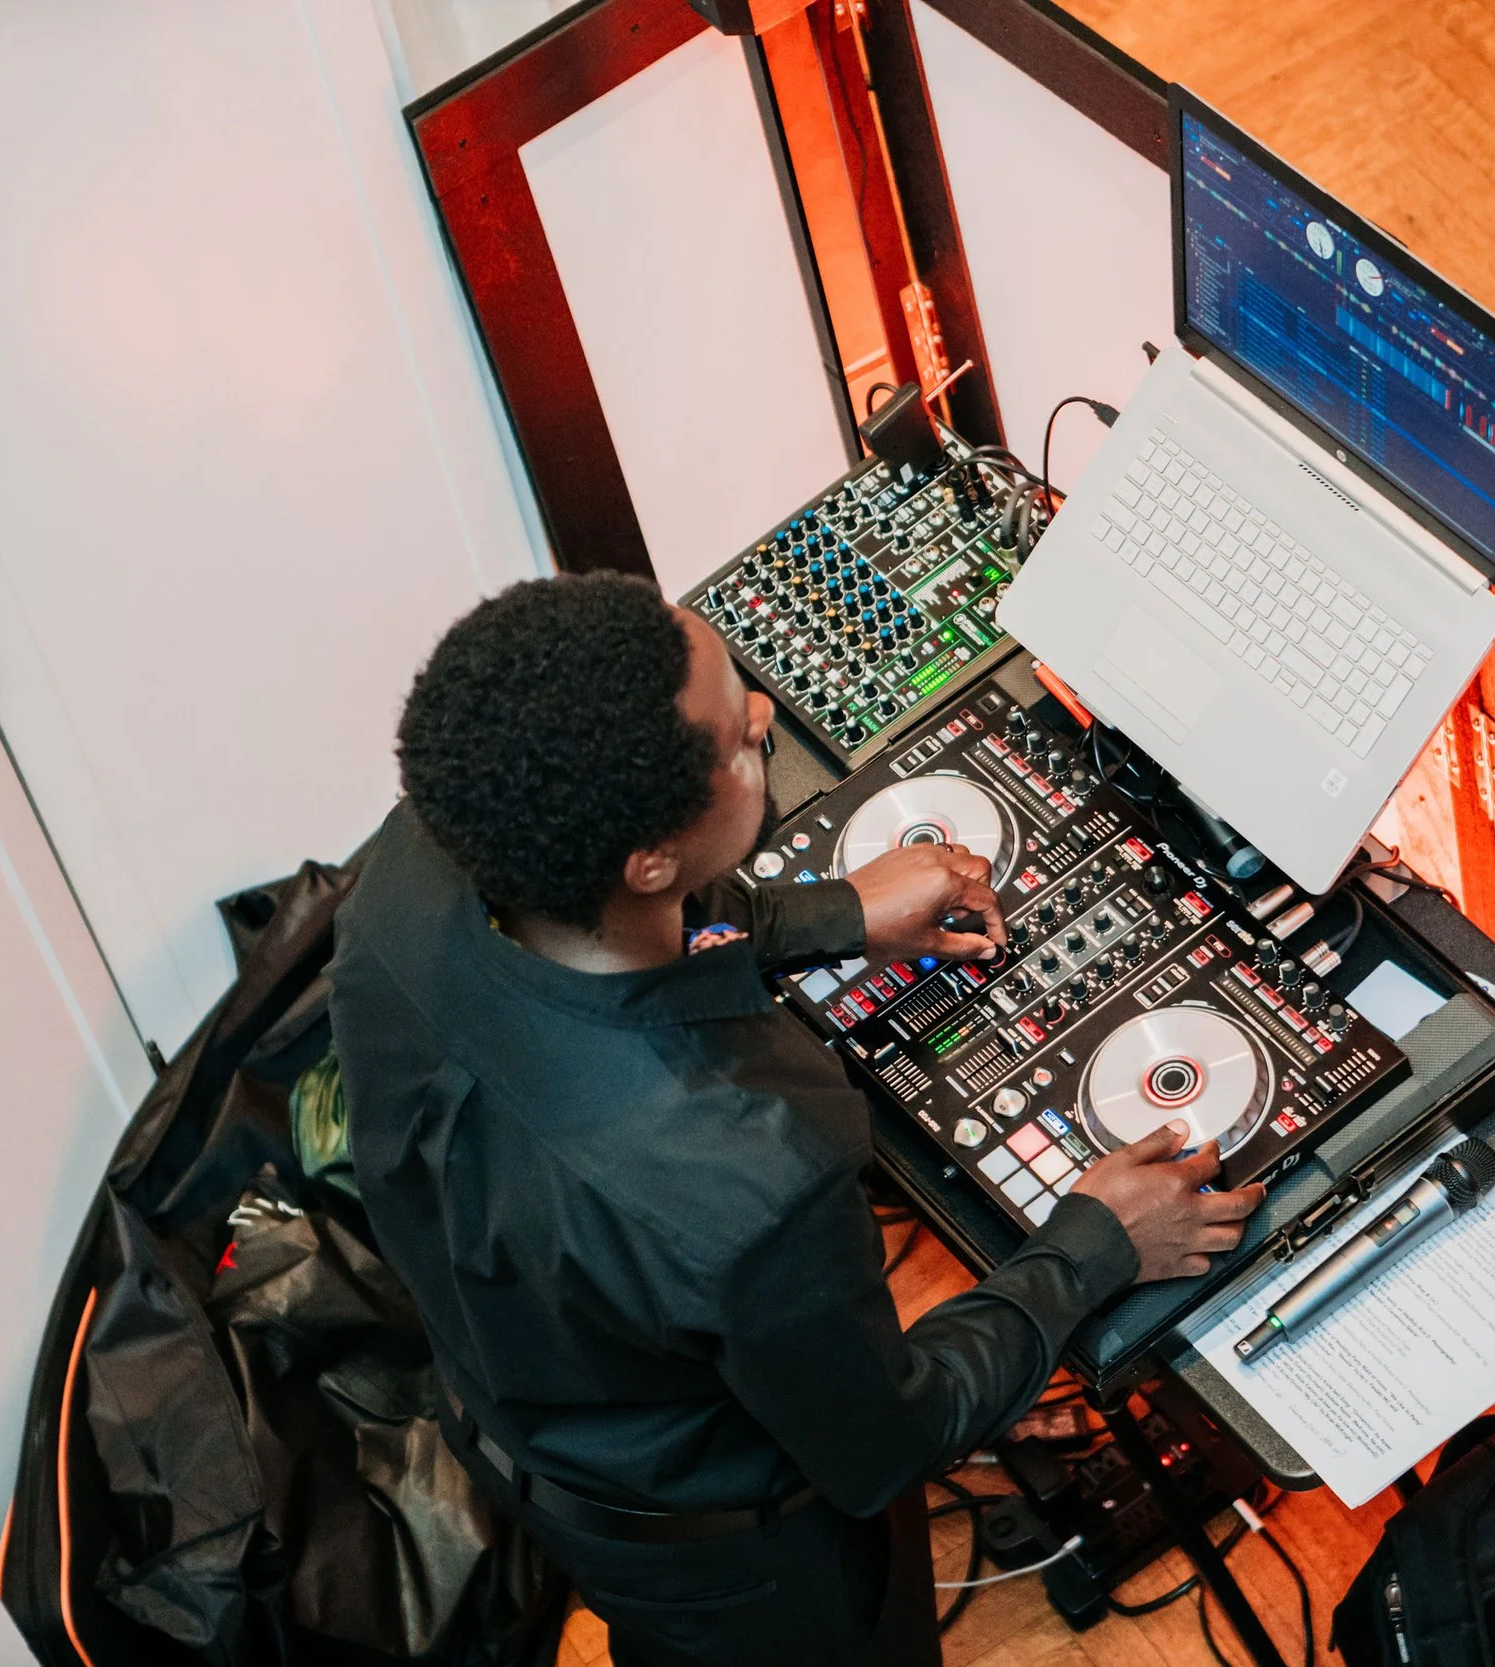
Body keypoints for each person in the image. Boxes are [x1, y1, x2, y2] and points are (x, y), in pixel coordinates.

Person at [328, 573, 1263, 1667]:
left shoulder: (411, 868)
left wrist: (833, 913)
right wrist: (1090, 1245)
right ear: (652, 858)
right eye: (737, 740)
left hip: (520, 1432)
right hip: (741, 1574)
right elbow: (890, 1438)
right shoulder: (742, 1182)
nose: (766, 717)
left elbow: (621, 927)